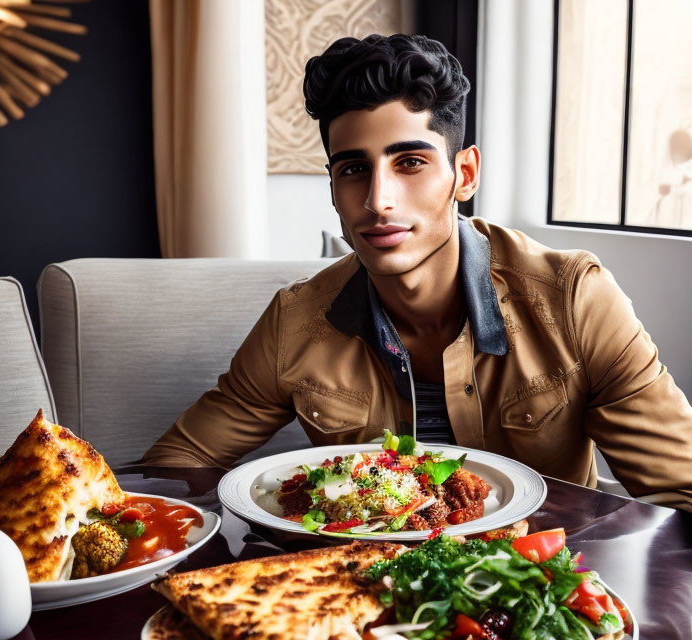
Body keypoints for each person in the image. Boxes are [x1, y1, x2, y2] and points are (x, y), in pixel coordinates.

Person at [144, 33, 692, 511]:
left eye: (410, 163)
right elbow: (175, 466)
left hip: (535, 600)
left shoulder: (574, 298)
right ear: (333, 187)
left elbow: (680, 491)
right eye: (354, 169)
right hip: (355, 599)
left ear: (465, 173)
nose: (378, 200)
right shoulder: (296, 321)